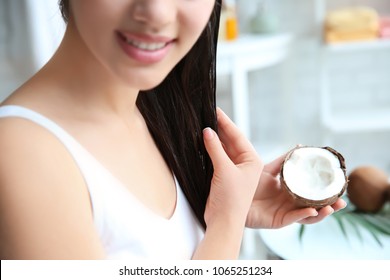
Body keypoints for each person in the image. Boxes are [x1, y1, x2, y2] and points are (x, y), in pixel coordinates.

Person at [0, 0, 345, 260]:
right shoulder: (21, 155)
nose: (158, 14)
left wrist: (219, 210)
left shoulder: (151, 110)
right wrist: (226, 225)